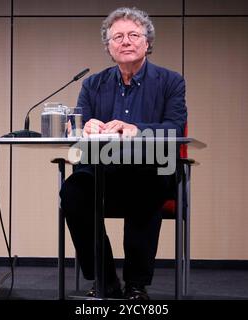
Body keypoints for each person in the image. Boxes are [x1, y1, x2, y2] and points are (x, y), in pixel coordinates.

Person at [60, 7, 187, 300]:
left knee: (146, 186)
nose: (125, 41)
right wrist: (84, 127)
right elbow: (77, 132)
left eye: (133, 35)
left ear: (147, 42)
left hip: (150, 169)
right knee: (73, 192)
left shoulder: (171, 81)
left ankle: (135, 285)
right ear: (108, 46)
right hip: (104, 171)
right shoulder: (92, 84)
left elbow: (175, 128)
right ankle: (105, 281)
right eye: (117, 36)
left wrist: (135, 129)